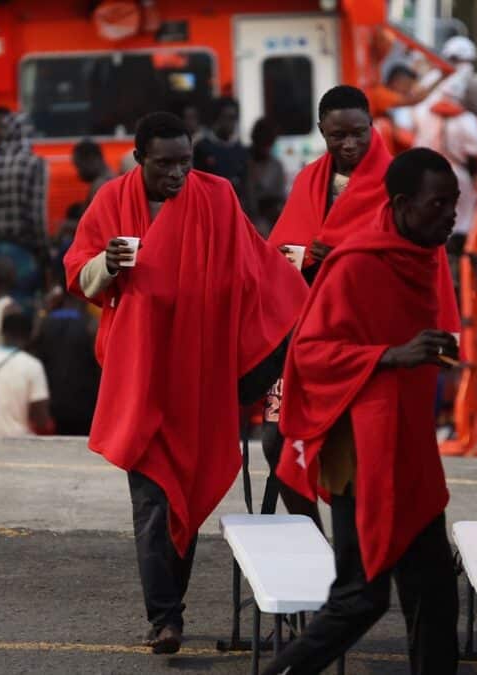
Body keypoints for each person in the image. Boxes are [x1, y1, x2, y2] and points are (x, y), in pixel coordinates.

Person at [63, 112, 307, 654]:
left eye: (185, 161)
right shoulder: (110, 201)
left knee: (187, 495)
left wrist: (303, 283)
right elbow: (78, 273)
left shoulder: (216, 197)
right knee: (153, 496)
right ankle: (165, 619)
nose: (177, 174)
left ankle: (170, 612)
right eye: (164, 164)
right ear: (138, 159)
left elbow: (256, 269)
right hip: (142, 374)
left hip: (199, 374)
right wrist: (107, 264)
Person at [267, 148, 462, 675]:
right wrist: (391, 356)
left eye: (455, 203)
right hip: (361, 453)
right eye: (438, 204)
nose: (451, 215)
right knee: (362, 597)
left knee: (436, 592)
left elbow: (400, 336)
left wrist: (429, 352)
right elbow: (308, 353)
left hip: (410, 450)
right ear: (401, 205)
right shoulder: (358, 263)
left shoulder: (420, 257)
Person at [413, 36, 477, 237]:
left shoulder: (423, 112)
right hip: (456, 175)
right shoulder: (465, 121)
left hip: (422, 173)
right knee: (460, 223)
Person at [0, 113, 48, 306]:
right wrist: (44, 250)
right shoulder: (34, 163)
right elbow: (37, 214)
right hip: (22, 250)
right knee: (20, 310)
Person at [0, 312, 52, 438]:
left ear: (2, 332)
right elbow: (41, 419)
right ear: (30, 335)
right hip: (17, 440)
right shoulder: (33, 366)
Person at [34, 287, 101, 435]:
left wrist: (43, 310)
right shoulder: (91, 325)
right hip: (85, 407)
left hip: (54, 406)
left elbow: (35, 354)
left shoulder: (45, 323)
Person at [192, 96, 247, 201]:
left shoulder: (240, 150)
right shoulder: (203, 147)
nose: (231, 123)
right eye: (227, 117)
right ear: (217, 118)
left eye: (233, 118)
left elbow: (246, 184)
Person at [243, 117, 286, 237]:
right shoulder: (244, 162)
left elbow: (281, 198)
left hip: (268, 219)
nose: (266, 148)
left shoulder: (276, 166)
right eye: (263, 143)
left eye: (269, 143)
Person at [72, 138, 112, 207]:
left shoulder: (100, 185)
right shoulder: (111, 178)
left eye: (79, 166)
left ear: (92, 159)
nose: (79, 173)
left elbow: (96, 217)